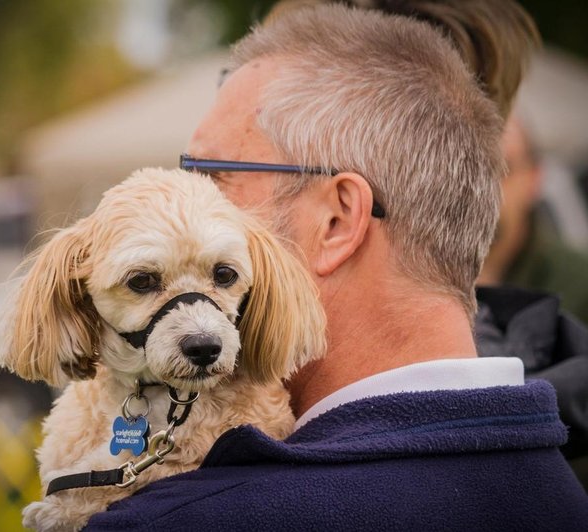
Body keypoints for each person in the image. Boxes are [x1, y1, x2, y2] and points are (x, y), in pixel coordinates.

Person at [85, 1, 588, 530]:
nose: (185, 198)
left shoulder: (176, 520)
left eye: (210, 172)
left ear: (337, 220)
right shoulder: (560, 498)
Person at [478, 116, 588, 324]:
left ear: (534, 179)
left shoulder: (579, 286)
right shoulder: (418, 273)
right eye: (474, 167)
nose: (485, 185)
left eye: (504, 168)